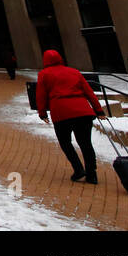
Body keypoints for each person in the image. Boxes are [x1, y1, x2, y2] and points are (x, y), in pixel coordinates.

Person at [36, 49, 105, 184]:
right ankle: (92, 174)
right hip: (82, 111)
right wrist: (99, 110)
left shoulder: (44, 74)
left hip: (61, 113)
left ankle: (78, 169)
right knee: (86, 143)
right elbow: (89, 92)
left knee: (65, 142)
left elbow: (41, 95)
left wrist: (42, 112)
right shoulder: (74, 72)